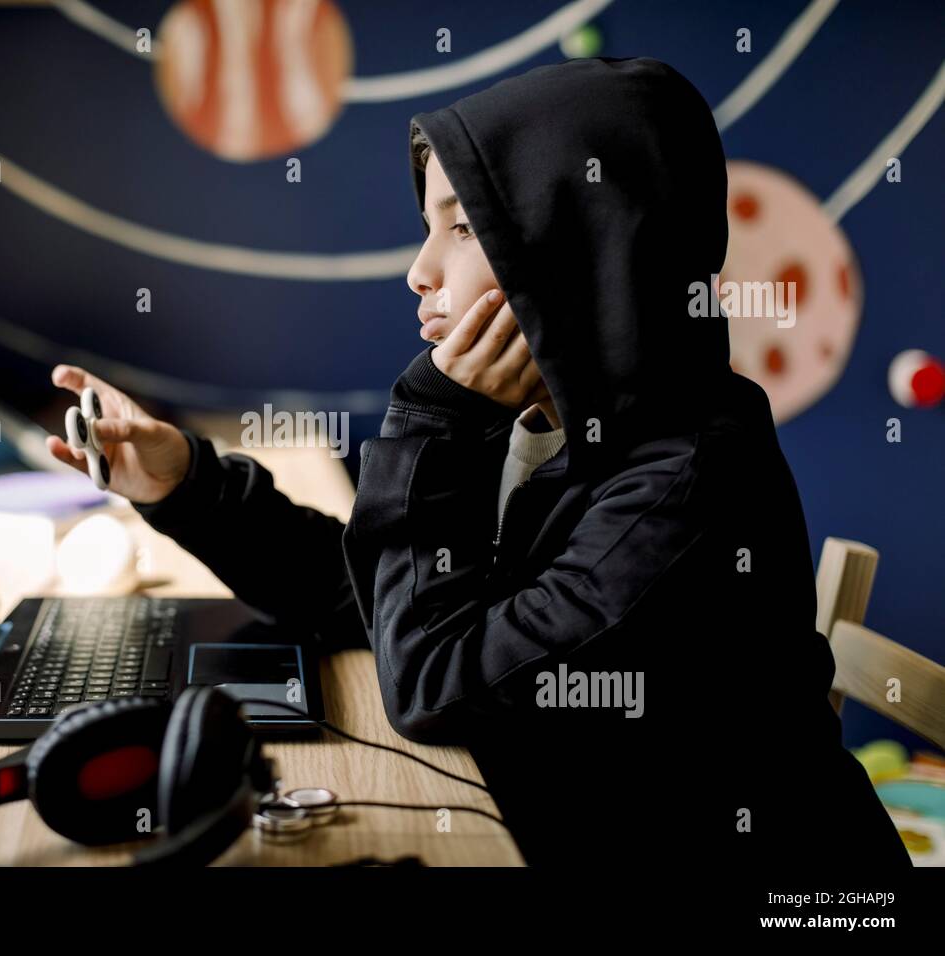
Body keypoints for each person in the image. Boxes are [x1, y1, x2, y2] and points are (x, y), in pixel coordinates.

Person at [47, 57, 908, 867]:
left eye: (463, 227)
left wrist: (434, 418)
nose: (421, 272)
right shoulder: (547, 417)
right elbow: (380, 603)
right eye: (429, 227)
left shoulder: (682, 489)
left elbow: (432, 680)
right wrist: (188, 487)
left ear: (583, 247)